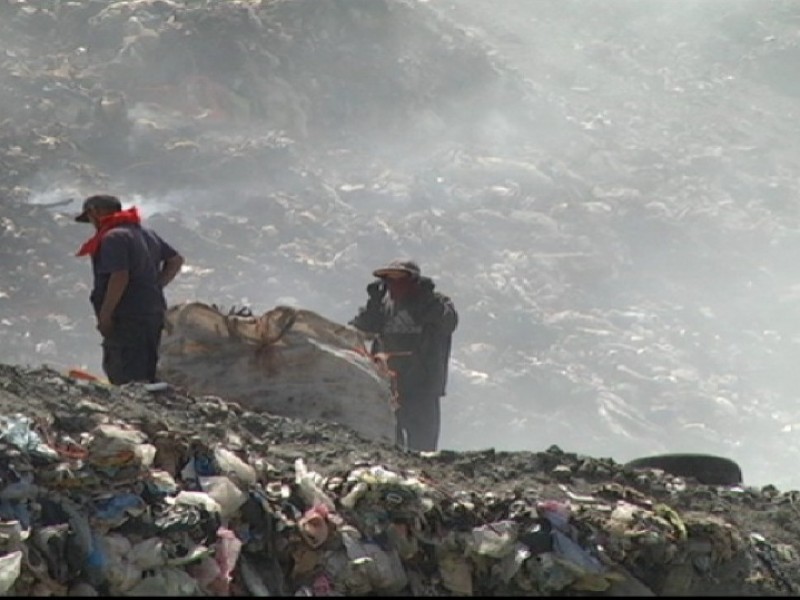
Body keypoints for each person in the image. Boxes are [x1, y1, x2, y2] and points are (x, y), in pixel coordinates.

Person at [74, 194, 184, 385]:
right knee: (148, 368)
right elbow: (175, 261)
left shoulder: (113, 237)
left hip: (128, 316)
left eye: (90, 218)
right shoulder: (145, 233)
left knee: (127, 373)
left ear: (95, 212)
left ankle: (136, 412)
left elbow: (119, 276)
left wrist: (106, 315)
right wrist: (155, 286)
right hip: (153, 311)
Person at [350, 260, 458, 452]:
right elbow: (362, 328)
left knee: (423, 447)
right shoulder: (384, 306)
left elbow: (448, 321)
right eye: (389, 281)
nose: (394, 286)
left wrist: (425, 299)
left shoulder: (435, 302)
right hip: (388, 387)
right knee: (390, 445)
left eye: (400, 280)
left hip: (422, 387)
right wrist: (373, 303)